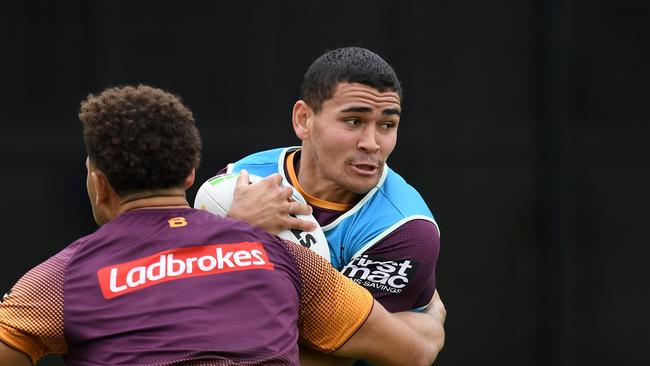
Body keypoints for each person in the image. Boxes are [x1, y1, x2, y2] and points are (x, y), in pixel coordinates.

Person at [0, 85, 445, 366]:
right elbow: (412, 351)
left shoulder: (59, 280)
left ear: (98, 185)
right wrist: (432, 322)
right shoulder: (282, 257)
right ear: (192, 174)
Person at [217, 47, 442, 364]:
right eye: (353, 121)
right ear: (304, 119)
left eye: (387, 125)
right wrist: (235, 232)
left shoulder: (404, 229)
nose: (372, 143)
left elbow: (326, 356)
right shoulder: (238, 180)